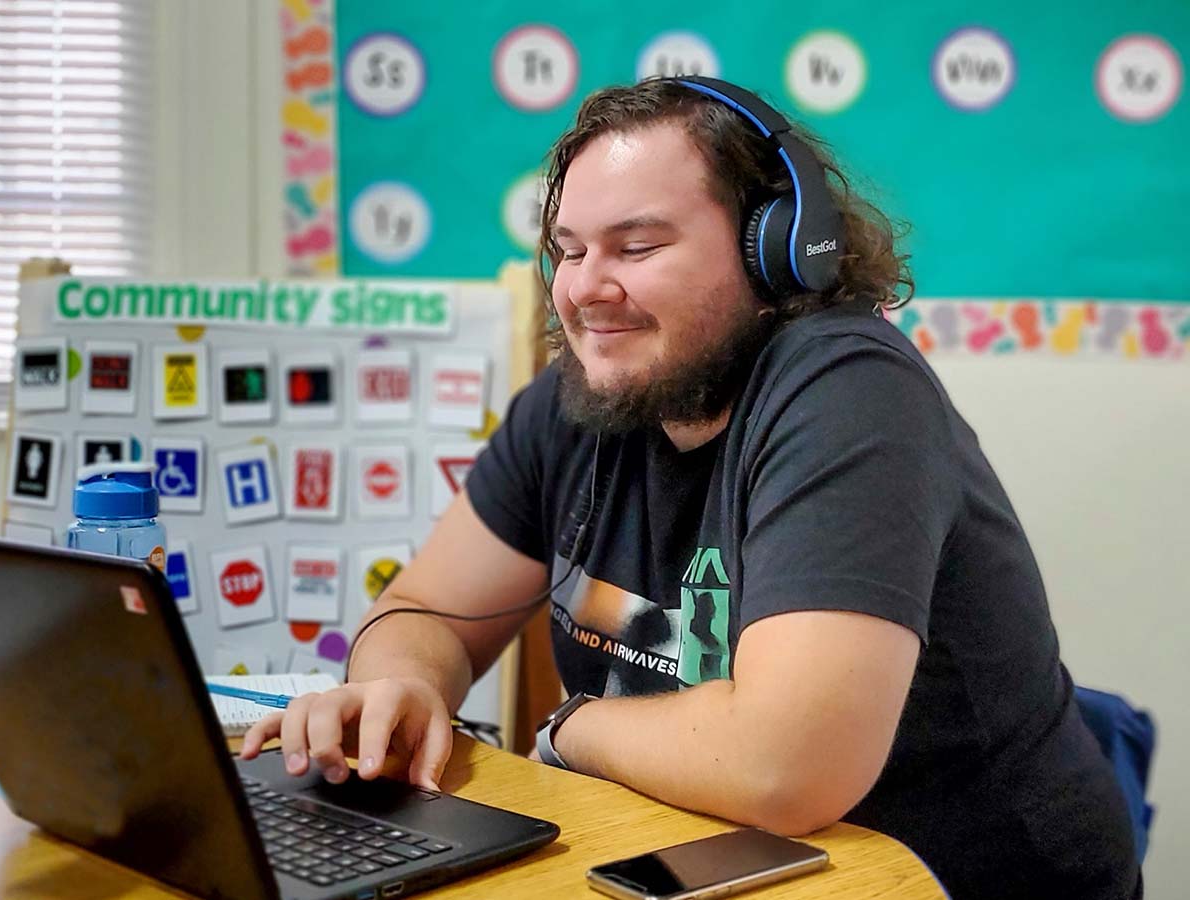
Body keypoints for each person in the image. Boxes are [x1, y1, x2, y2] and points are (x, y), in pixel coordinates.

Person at [241, 77, 1140, 900]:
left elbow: (786, 766)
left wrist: (573, 730)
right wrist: (401, 688)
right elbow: (427, 611)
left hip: (947, 880)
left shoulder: (849, 390)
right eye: (568, 250)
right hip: (702, 864)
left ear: (778, 251)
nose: (587, 289)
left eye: (636, 246)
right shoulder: (577, 401)